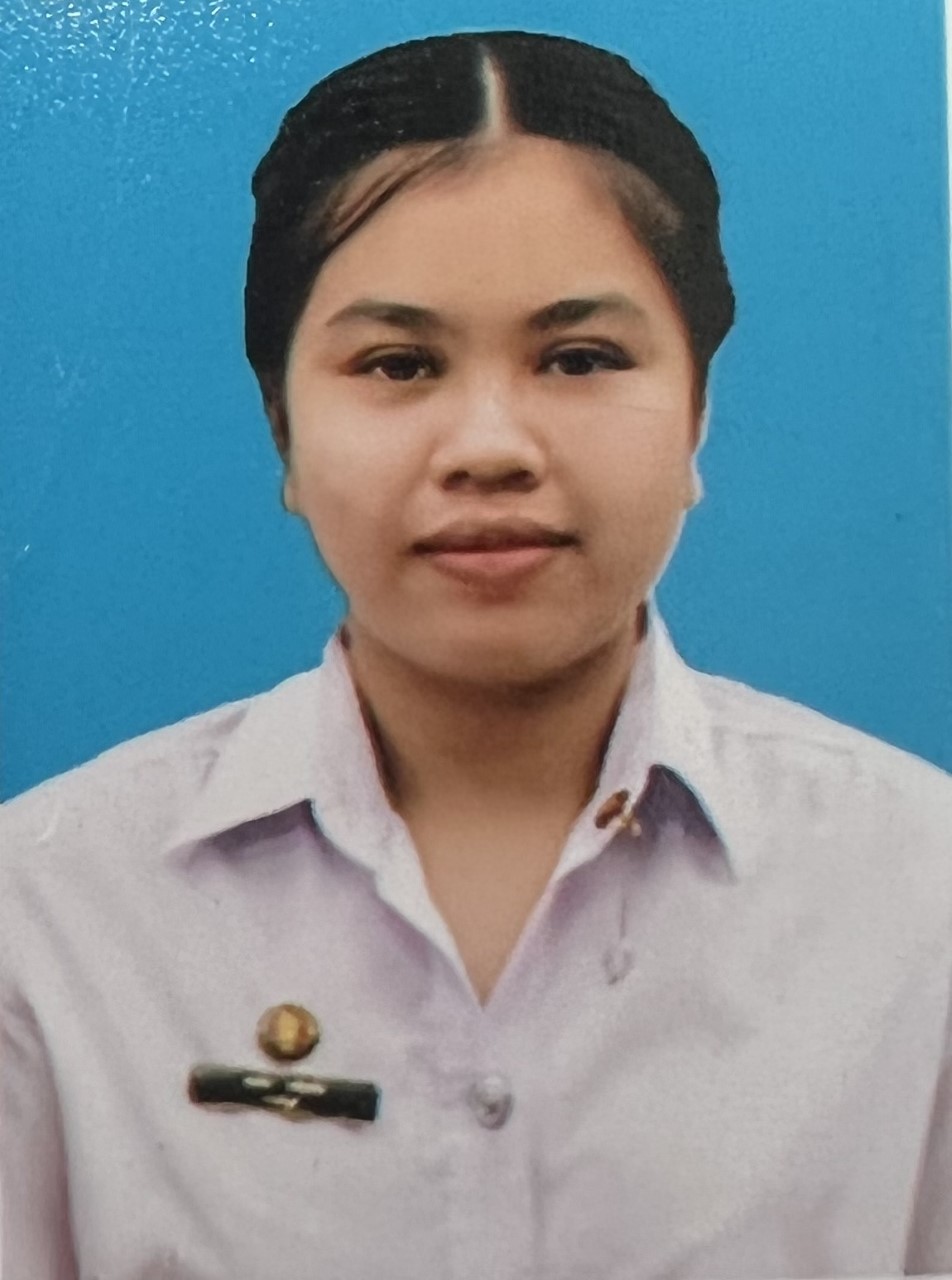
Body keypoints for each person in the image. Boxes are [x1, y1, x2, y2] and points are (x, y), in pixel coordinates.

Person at [1, 28, 950, 1280]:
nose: (490, 445)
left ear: (697, 411)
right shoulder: (47, 912)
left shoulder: (919, 894)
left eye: (578, 358)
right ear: (284, 427)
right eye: (398, 363)